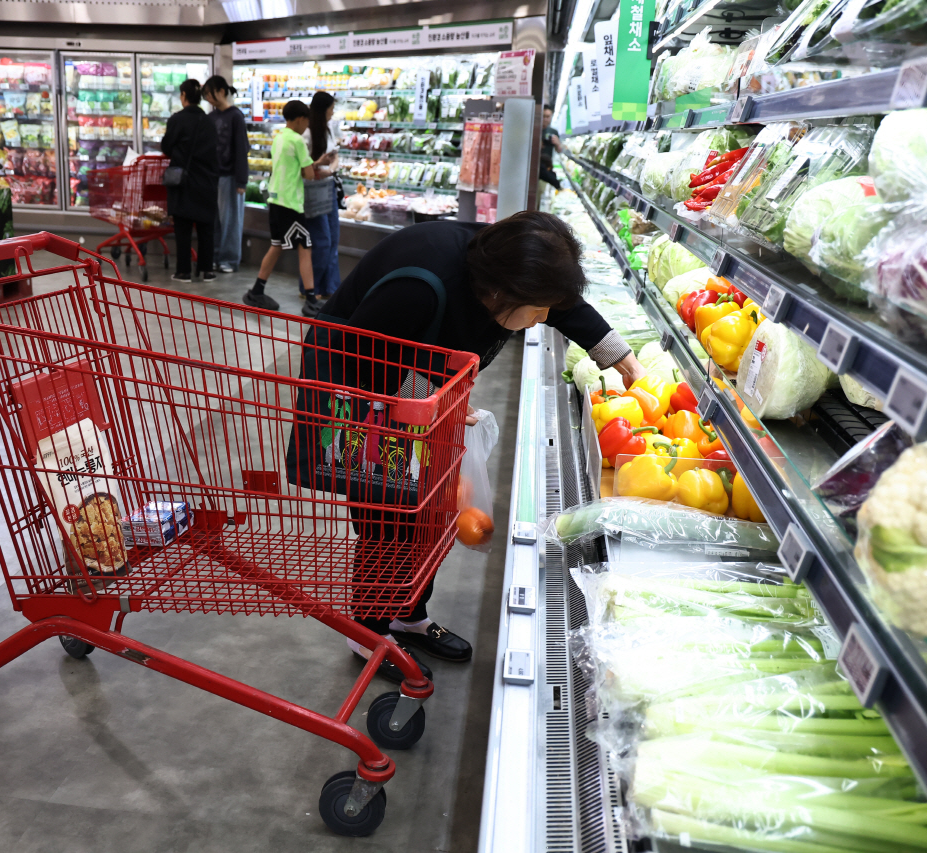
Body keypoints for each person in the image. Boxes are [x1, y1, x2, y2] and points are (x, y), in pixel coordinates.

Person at [319, 211, 646, 682]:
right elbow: (363, 358)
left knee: (430, 510)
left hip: (423, 395)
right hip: (362, 400)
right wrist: (427, 400)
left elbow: (560, 303)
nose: (541, 321)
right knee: (387, 512)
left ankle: (407, 613)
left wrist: (619, 356)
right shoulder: (420, 285)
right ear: (501, 293)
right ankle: (367, 632)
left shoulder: (506, 267)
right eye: (535, 311)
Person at [245, 100, 320, 316]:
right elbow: (309, 174)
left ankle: (257, 290)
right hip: (290, 203)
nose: (307, 125)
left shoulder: (279, 137)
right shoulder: (297, 140)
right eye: (306, 121)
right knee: (305, 247)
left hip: (275, 200)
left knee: (277, 245)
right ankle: (312, 299)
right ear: (299, 119)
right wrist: (315, 167)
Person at [161, 79, 219, 282]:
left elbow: (167, 147)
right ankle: (207, 270)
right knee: (206, 227)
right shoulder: (210, 121)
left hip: (183, 182)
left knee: (183, 228)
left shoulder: (177, 120)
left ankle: (183, 271)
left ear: (184, 96)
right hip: (207, 181)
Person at [203, 75, 248, 274]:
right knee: (214, 220)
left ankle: (229, 259)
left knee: (230, 220)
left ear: (221, 91)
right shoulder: (211, 118)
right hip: (212, 176)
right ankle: (214, 256)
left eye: (209, 93)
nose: (207, 98)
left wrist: (241, 180)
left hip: (230, 176)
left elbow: (241, 149)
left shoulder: (235, 116)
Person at [301, 91, 342, 298]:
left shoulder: (328, 130)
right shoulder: (307, 134)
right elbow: (303, 168)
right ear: (323, 109)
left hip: (328, 188)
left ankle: (330, 287)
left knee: (333, 239)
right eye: (331, 108)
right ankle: (311, 287)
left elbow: (334, 158)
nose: (333, 113)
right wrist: (320, 167)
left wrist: (330, 169)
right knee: (322, 240)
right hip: (312, 192)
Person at [539, 104, 566, 192]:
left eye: (548, 116)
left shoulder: (553, 132)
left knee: (540, 192)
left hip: (546, 169)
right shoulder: (534, 130)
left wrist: (558, 143)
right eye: (543, 116)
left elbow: (559, 150)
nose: (545, 119)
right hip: (534, 167)